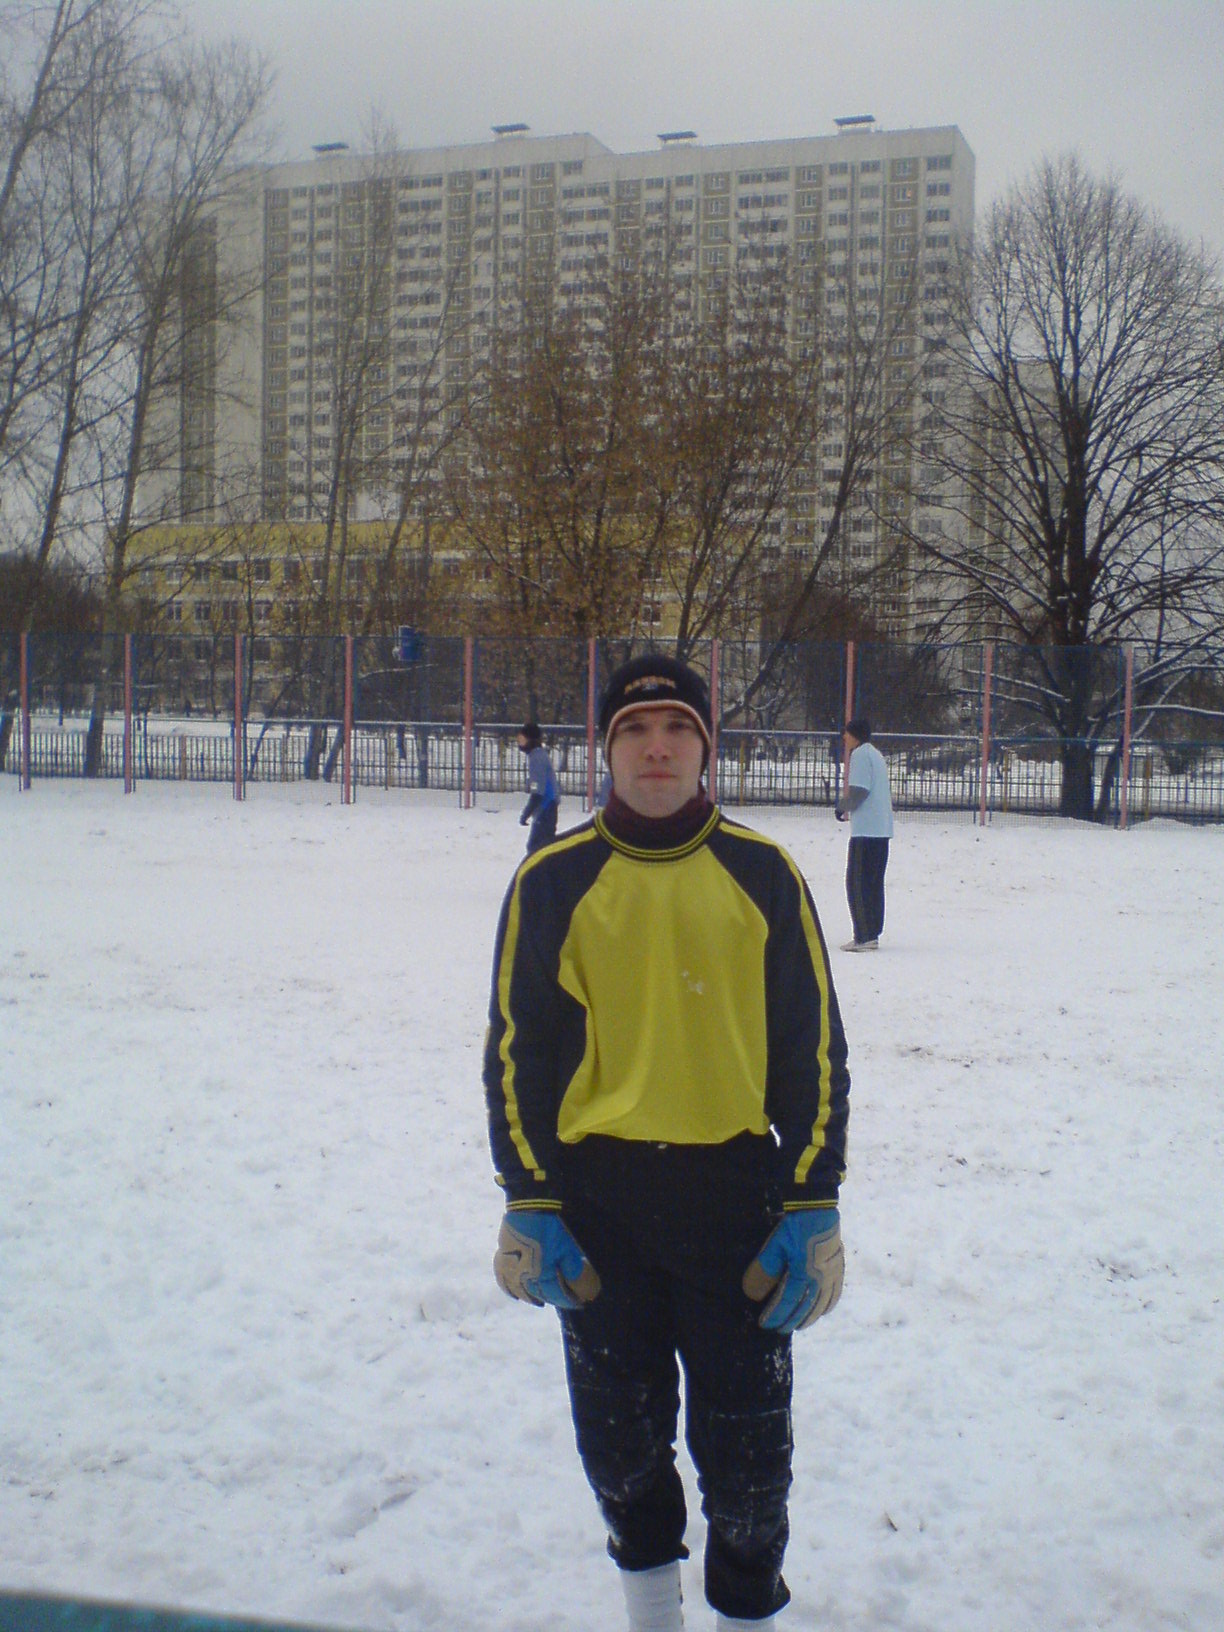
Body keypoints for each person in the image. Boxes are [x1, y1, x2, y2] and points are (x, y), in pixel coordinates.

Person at [484, 654, 850, 1632]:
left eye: (678, 728)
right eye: (635, 730)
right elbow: (518, 1051)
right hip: (597, 1211)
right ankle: (653, 1615)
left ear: (706, 748)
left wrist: (813, 1197)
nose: (657, 747)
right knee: (622, 1448)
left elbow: (812, 1048)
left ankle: (744, 1614)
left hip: (736, 1205)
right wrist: (530, 1195)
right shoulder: (554, 881)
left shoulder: (763, 873)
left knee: (750, 1463)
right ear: (606, 751)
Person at [835, 715, 893, 952]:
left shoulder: (859, 755)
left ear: (855, 735)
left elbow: (860, 790)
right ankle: (873, 932)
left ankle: (863, 935)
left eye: (847, 732)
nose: (844, 737)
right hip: (882, 830)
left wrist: (842, 807)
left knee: (857, 883)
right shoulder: (876, 754)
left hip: (865, 831)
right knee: (874, 883)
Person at [516, 720, 560, 854]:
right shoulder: (538, 755)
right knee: (542, 848)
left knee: (536, 849)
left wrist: (526, 813)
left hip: (545, 809)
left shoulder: (536, 759)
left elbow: (538, 792)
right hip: (546, 808)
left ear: (530, 740)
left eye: (522, 739)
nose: (519, 743)